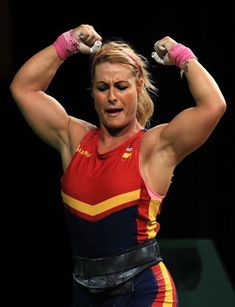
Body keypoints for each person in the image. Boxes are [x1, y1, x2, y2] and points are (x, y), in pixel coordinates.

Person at [10, 23, 226, 306]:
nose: (112, 96)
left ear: (138, 87)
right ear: (93, 94)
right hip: (85, 293)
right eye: (102, 87)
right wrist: (65, 44)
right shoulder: (73, 139)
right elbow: (23, 88)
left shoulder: (154, 146)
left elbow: (213, 105)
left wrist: (183, 56)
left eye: (121, 86)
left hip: (145, 292)